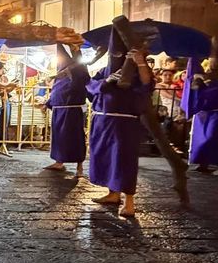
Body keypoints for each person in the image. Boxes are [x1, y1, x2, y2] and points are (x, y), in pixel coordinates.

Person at [86, 30, 154, 217]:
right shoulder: (104, 71)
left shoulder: (137, 70)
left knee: (124, 160)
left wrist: (140, 62)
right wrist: (107, 81)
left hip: (124, 124)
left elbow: (147, 85)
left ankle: (129, 201)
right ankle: (112, 193)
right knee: (106, 158)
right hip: (102, 121)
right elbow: (91, 87)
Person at [44, 44, 90, 177]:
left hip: (72, 111)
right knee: (58, 137)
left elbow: (82, 83)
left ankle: (79, 166)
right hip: (59, 110)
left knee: (75, 137)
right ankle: (59, 161)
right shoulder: (59, 77)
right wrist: (49, 102)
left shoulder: (79, 73)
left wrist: (70, 71)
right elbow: (56, 91)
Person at [183, 57, 218, 175]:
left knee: (213, 138)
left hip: (216, 113)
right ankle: (202, 163)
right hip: (202, 115)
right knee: (200, 140)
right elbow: (195, 95)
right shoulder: (200, 81)